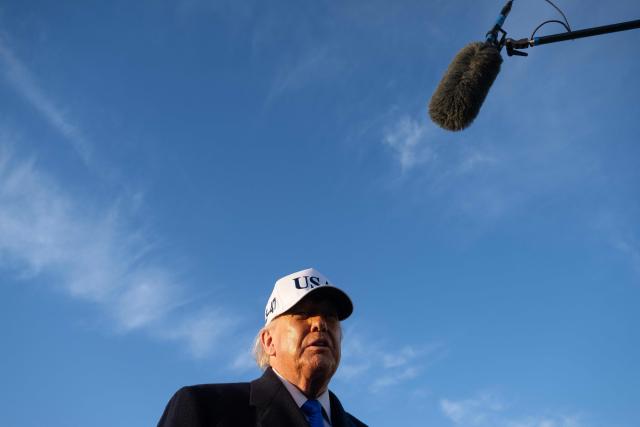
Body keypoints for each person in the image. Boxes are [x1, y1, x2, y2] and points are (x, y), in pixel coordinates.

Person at [157, 267, 367, 427]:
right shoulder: (205, 409)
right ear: (268, 341)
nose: (320, 323)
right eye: (303, 313)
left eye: (330, 316)